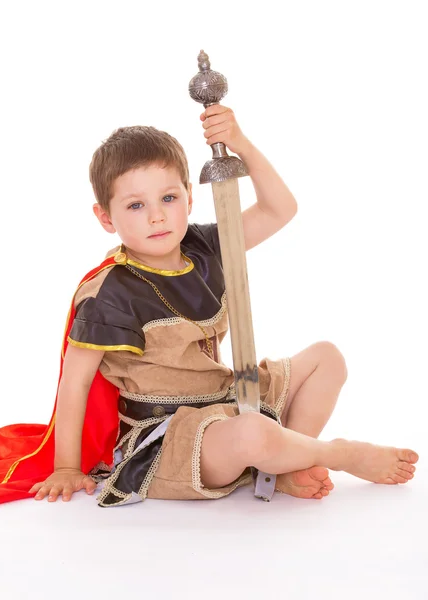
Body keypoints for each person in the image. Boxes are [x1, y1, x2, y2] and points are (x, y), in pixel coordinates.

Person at [26, 104, 418, 507]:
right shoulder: (109, 292)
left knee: (327, 358)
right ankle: (339, 454)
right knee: (252, 433)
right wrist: (67, 468)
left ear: (189, 198)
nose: (158, 216)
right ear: (105, 217)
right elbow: (76, 383)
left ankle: (281, 468)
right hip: (170, 436)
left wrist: (239, 143)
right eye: (136, 205)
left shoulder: (205, 247)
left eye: (168, 197)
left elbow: (279, 209)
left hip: (229, 398)